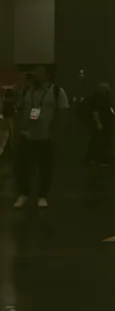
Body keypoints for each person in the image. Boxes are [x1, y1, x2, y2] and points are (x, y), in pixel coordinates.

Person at [13, 66, 69, 209]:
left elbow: (63, 113)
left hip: (46, 137)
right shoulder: (27, 91)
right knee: (23, 168)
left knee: (45, 168)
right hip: (27, 136)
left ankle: (42, 195)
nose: (35, 74)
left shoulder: (57, 92)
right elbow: (18, 110)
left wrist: (57, 133)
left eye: (39, 72)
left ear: (48, 75)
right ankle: (23, 194)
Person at [86, 82, 115, 166]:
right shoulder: (97, 99)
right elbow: (95, 112)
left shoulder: (106, 99)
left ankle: (99, 159)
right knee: (99, 142)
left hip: (106, 124)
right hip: (101, 125)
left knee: (104, 142)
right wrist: (98, 123)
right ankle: (97, 159)